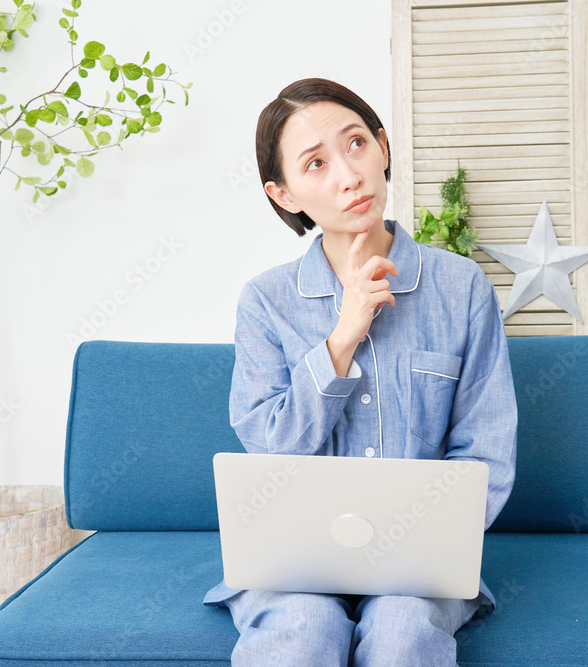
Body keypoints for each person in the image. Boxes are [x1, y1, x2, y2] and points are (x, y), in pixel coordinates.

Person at [203, 77, 518, 667]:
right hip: (292, 561)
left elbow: (487, 453)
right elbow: (270, 450)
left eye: (355, 144)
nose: (349, 175)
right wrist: (342, 338)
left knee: (402, 630)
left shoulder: (462, 287)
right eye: (316, 163)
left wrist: (421, 541)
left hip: (421, 563)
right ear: (284, 193)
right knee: (301, 628)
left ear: (383, 146)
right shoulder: (266, 301)